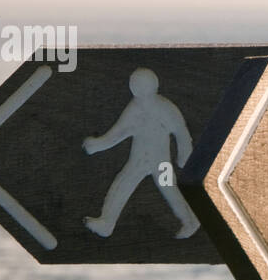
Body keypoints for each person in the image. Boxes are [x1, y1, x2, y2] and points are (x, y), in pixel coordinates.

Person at [83, 67, 200, 239]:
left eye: (141, 84)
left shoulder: (164, 107)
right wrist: (97, 145)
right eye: (136, 84)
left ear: (153, 85)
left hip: (161, 163)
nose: (138, 88)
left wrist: (185, 155)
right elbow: (118, 133)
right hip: (138, 161)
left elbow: (181, 132)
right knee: (121, 185)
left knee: (170, 189)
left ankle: (191, 221)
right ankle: (106, 223)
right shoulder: (134, 109)